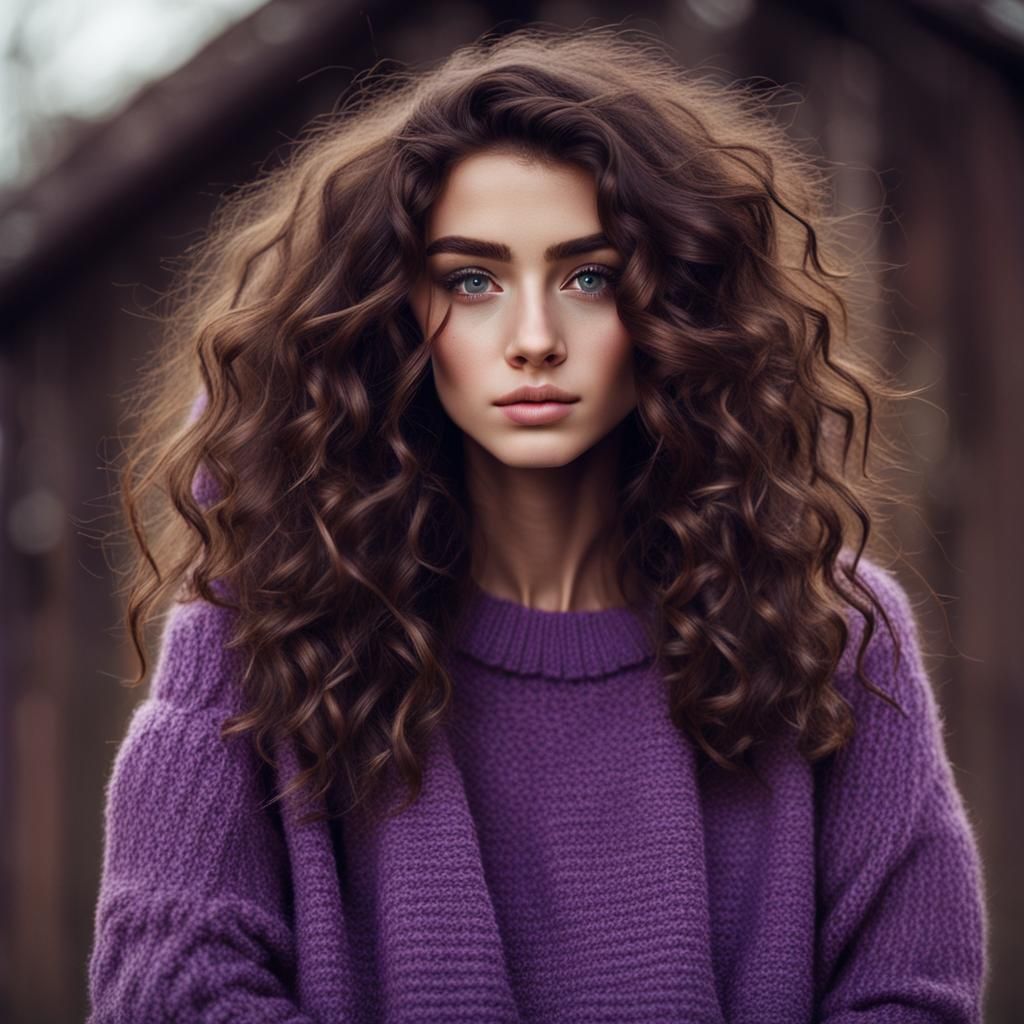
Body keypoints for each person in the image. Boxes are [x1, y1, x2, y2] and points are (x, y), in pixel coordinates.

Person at [86, 24, 988, 1023]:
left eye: (588, 276)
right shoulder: (271, 628)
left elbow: (911, 995)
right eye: (472, 281)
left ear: (674, 307)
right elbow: (165, 983)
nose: (531, 340)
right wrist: (252, 489)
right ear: (390, 317)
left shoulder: (834, 634)